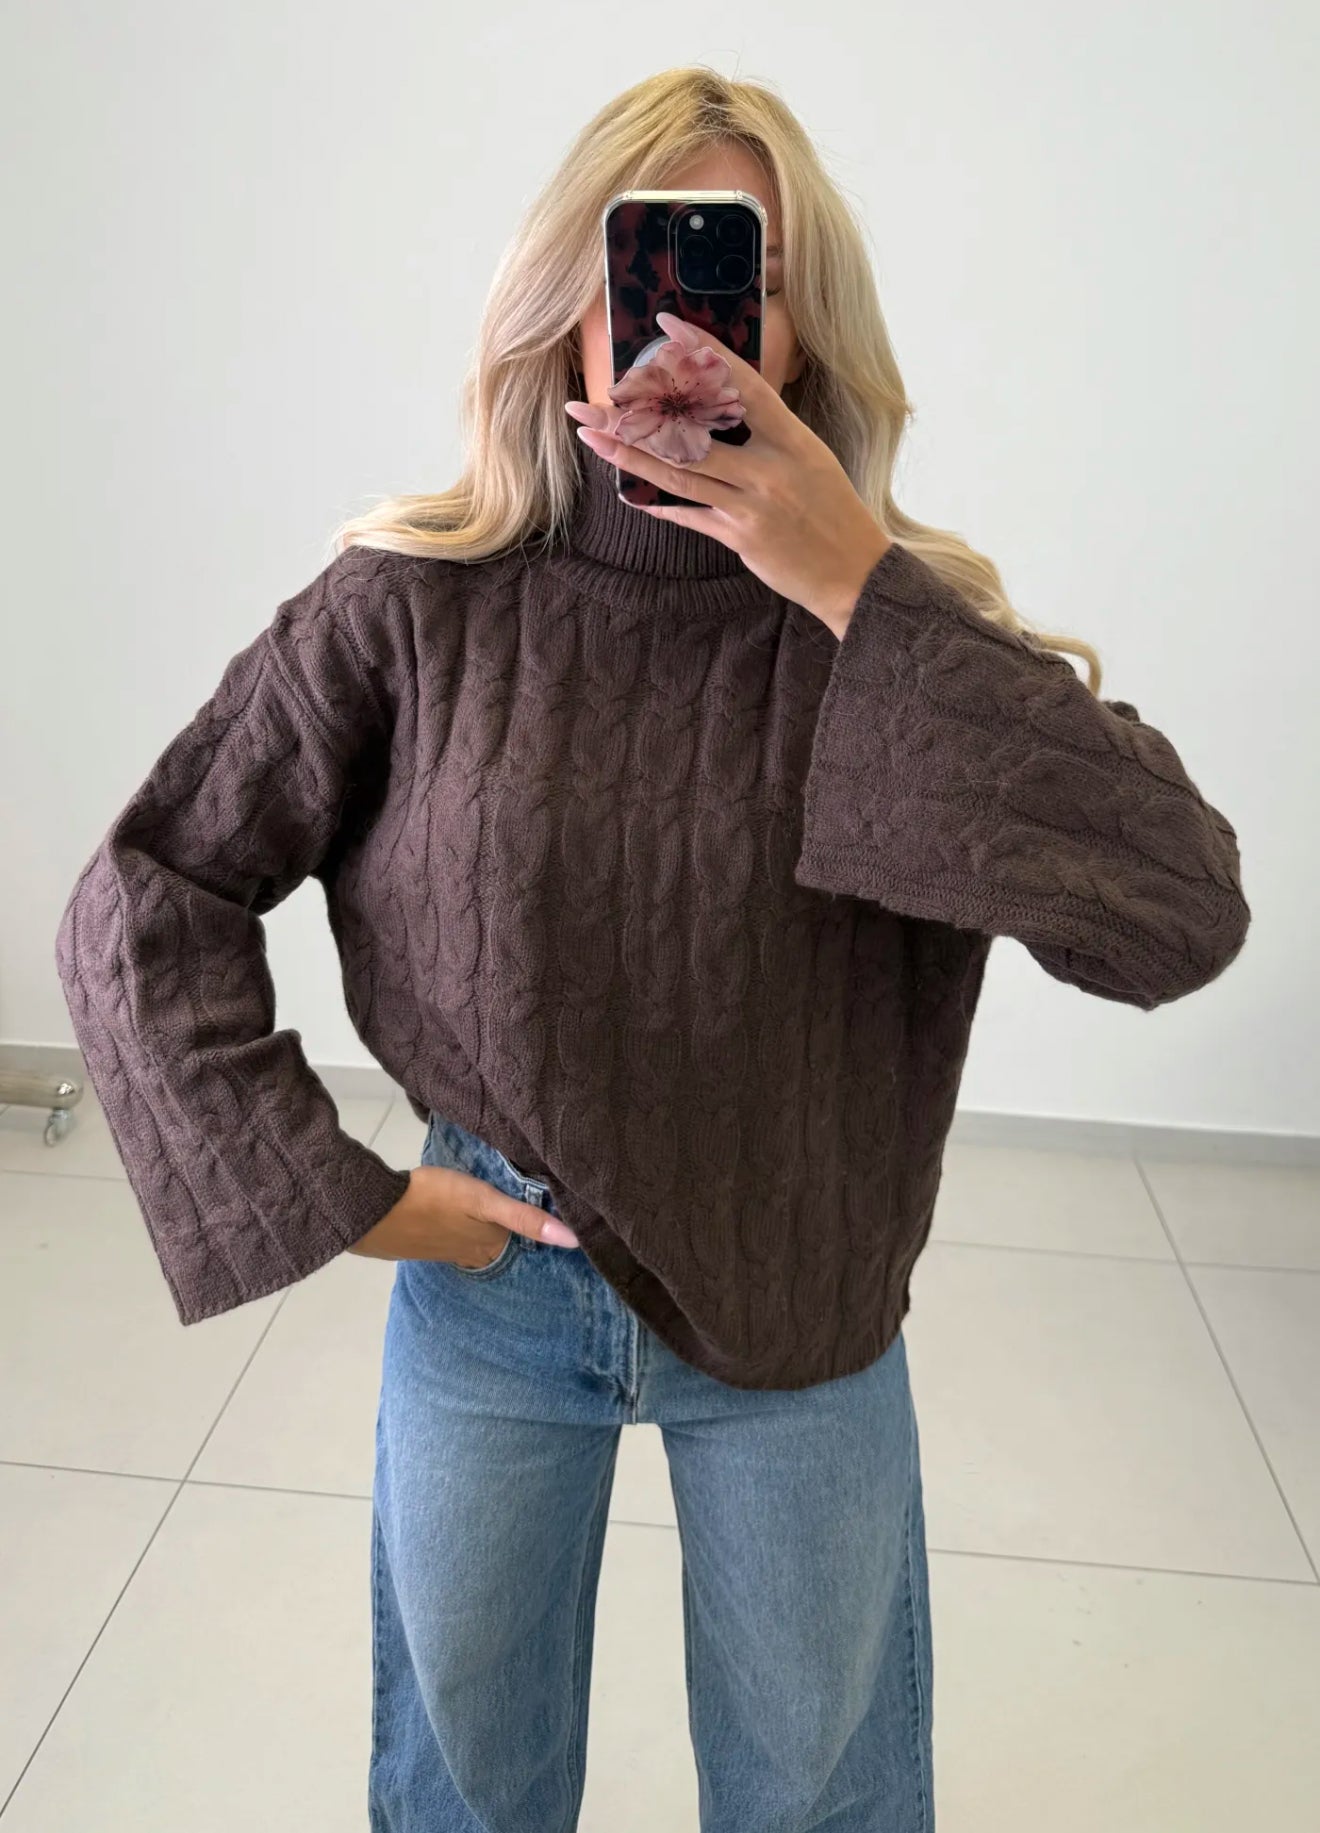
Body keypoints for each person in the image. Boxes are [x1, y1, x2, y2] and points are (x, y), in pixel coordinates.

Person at [55, 66, 1250, 1833]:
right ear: (569, 301)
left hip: (802, 1289)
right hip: (493, 1283)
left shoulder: (901, 629)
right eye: (650, 262)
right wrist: (346, 1195)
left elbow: (1181, 909)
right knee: (462, 1795)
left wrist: (860, 588)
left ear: (803, 327)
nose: (687, 325)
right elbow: (147, 892)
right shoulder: (416, 604)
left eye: (737, 274)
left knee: (822, 1800)